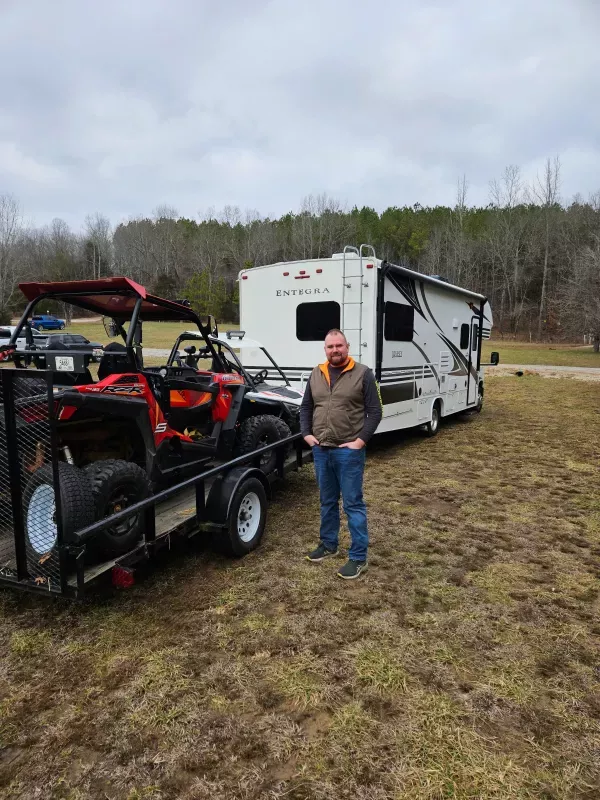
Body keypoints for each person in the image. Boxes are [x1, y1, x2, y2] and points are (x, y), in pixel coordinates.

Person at [300, 329, 382, 579]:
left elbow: (375, 411)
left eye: (339, 345)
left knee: (353, 504)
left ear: (348, 346)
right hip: (322, 450)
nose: (335, 350)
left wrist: (360, 441)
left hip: (348, 452)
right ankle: (329, 545)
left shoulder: (364, 374)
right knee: (327, 502)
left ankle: (358, 558)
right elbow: (306, 406)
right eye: (330, 347)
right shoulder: (316, 373)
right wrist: (306, 434)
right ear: (325, 350)